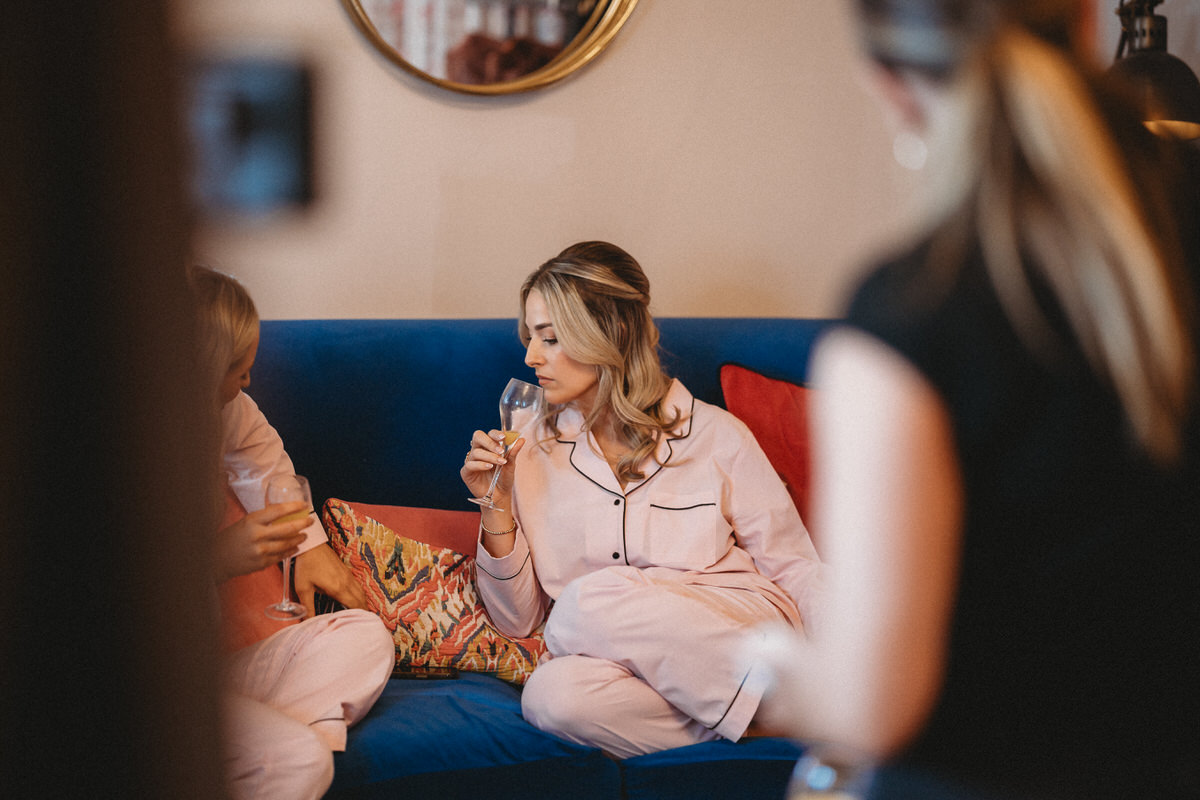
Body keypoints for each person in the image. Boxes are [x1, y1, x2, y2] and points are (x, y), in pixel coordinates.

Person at [753, 1, 1200, 798]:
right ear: (1087, 23)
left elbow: (871, 707)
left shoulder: (908, 313)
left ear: (888, 84)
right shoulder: (1173, 242)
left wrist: (774, 663)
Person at [459, 241, 824, 758]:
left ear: (611, 333)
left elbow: (795, 567)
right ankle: (772, 723)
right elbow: (516, 622)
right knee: (550, 697)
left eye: (551, 338)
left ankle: (796, 695)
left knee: (582, 605)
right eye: (530, 337)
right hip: (616, 662)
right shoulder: (531, 451)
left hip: (734, 624)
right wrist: (494, 503)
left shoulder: (718, 436)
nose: (530, 356)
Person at [189, 265, 395, 800]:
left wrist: (308, 546)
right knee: (301, 761)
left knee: (366, 637)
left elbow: (264, 462)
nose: (248, 381)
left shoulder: (225, 409)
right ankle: (282, 745)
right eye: (237, 368)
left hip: (215, 670)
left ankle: (250, 740)